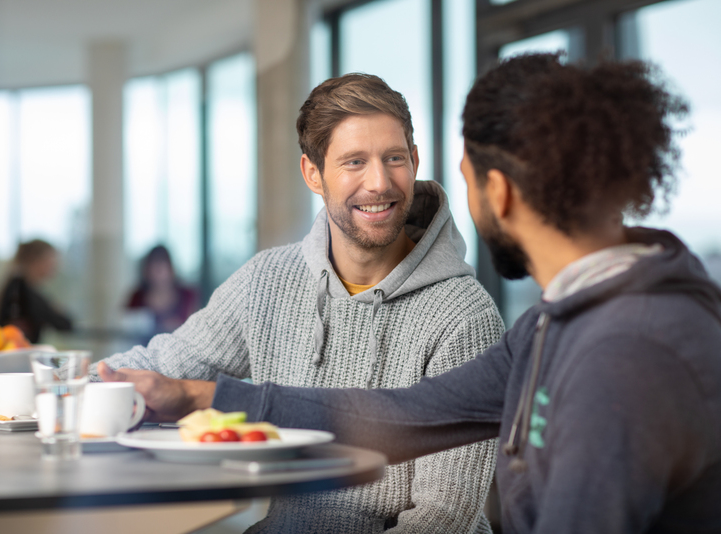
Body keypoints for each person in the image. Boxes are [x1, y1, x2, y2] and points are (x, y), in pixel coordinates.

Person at [112, 54, 721, 532]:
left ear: (499, 192)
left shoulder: (625, 355)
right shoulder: (557, 322)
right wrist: (201, 394)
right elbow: (400, 415)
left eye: (464, 177)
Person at [96, 73, 505, 533]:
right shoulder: (268, 280)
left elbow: (442, 519)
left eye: (394, 158)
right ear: (313, 173)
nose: (379, 182)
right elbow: (166, 364)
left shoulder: (463, 315)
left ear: (414, 160)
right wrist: (64, 387)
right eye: (354, 162)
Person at [0, 239, 73, 344]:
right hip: (20, 357)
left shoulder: (15, 286)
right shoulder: (23, 293)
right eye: (51, 260)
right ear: (36, 260)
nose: (55, 266)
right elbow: (64, 324)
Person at [125, 245, 200, 342]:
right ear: (146, 271)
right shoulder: (137, 297)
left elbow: (195, 329)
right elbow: (126, 331)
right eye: (155, 268)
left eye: (162, 267)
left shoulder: (187, 295)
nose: (159, 274)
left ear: (171, 269)